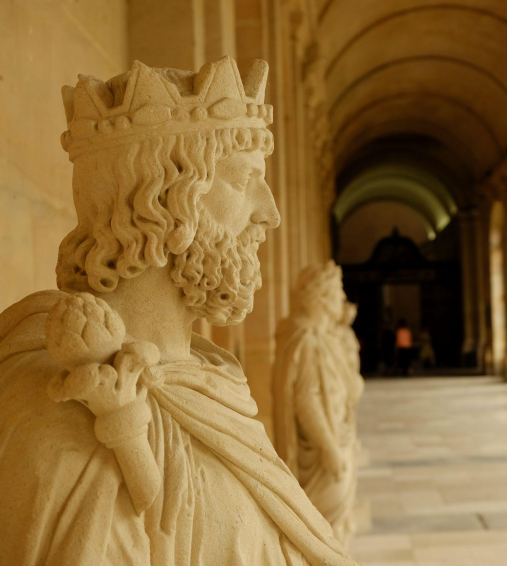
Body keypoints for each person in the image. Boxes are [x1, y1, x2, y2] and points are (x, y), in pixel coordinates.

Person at [0, 57, 355, 565]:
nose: (270, 213)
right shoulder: (64, 421)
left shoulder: (203, 376)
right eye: (241, 180)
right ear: (162, 204)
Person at [273, 262, 364, 548]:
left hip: (340, 436)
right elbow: (306, 401)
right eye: (338, 292)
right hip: (325, 452)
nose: (341, 299)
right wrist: (329, 448)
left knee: (334, 528)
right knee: (323, 529)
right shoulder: (309, 341)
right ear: (322, 297)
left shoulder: (328, 339)